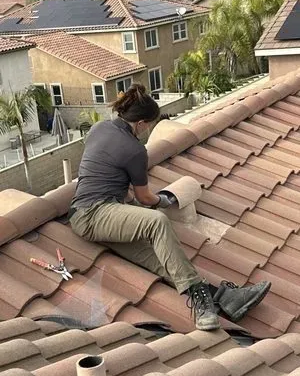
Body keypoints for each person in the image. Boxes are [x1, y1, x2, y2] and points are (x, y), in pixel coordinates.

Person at [69, 83, 271, 331]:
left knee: (161, 258)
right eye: (148, 126)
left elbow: (108, 176)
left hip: (92, 213)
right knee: (157, 222)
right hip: (93, 214)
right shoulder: (135, 150)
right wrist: (164, 201)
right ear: (142, 123)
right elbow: (145, 198)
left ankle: (225, 299)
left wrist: (132, 208)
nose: (146, 131)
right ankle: (202, 307)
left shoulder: (100, 128)